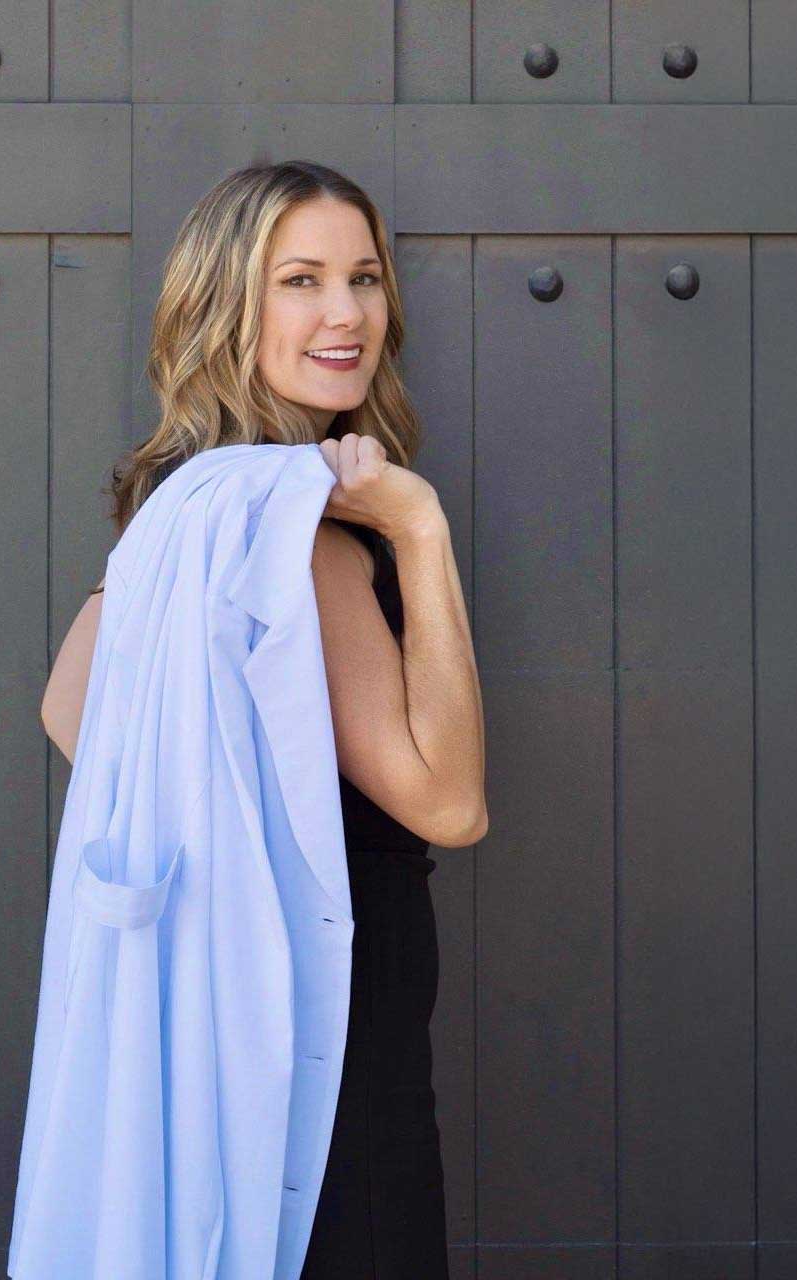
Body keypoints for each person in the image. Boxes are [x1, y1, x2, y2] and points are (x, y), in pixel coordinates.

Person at [40, 159, 486, 1279]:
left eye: (365, 278)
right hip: (329, 1018)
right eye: (299, 279)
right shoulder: (307, 536)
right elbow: (449, 800)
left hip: (242, 1001)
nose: (345, 314)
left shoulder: (187, 505)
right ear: (223, 311)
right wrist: (419, 531)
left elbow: (69, 709)